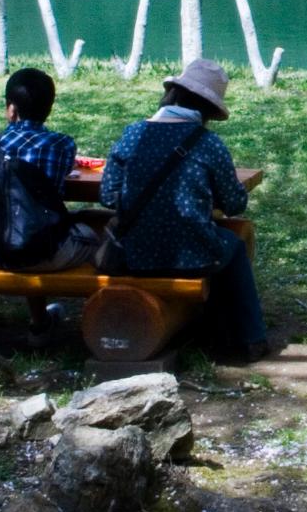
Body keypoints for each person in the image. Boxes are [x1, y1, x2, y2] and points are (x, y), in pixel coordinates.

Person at [100, 59, 267, 360]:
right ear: (209, 110)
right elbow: (234, 204)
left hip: (133, 255)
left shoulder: (133, 134)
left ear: (173, 94)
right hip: (193, 256)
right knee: (234, 243)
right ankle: (250, 338)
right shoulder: (209, 144)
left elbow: (108, 196)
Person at [0, 67, 100, 271]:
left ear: (11, 109)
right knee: (92, 236)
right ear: (48, 109)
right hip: (44, 252)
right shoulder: (63, 145)